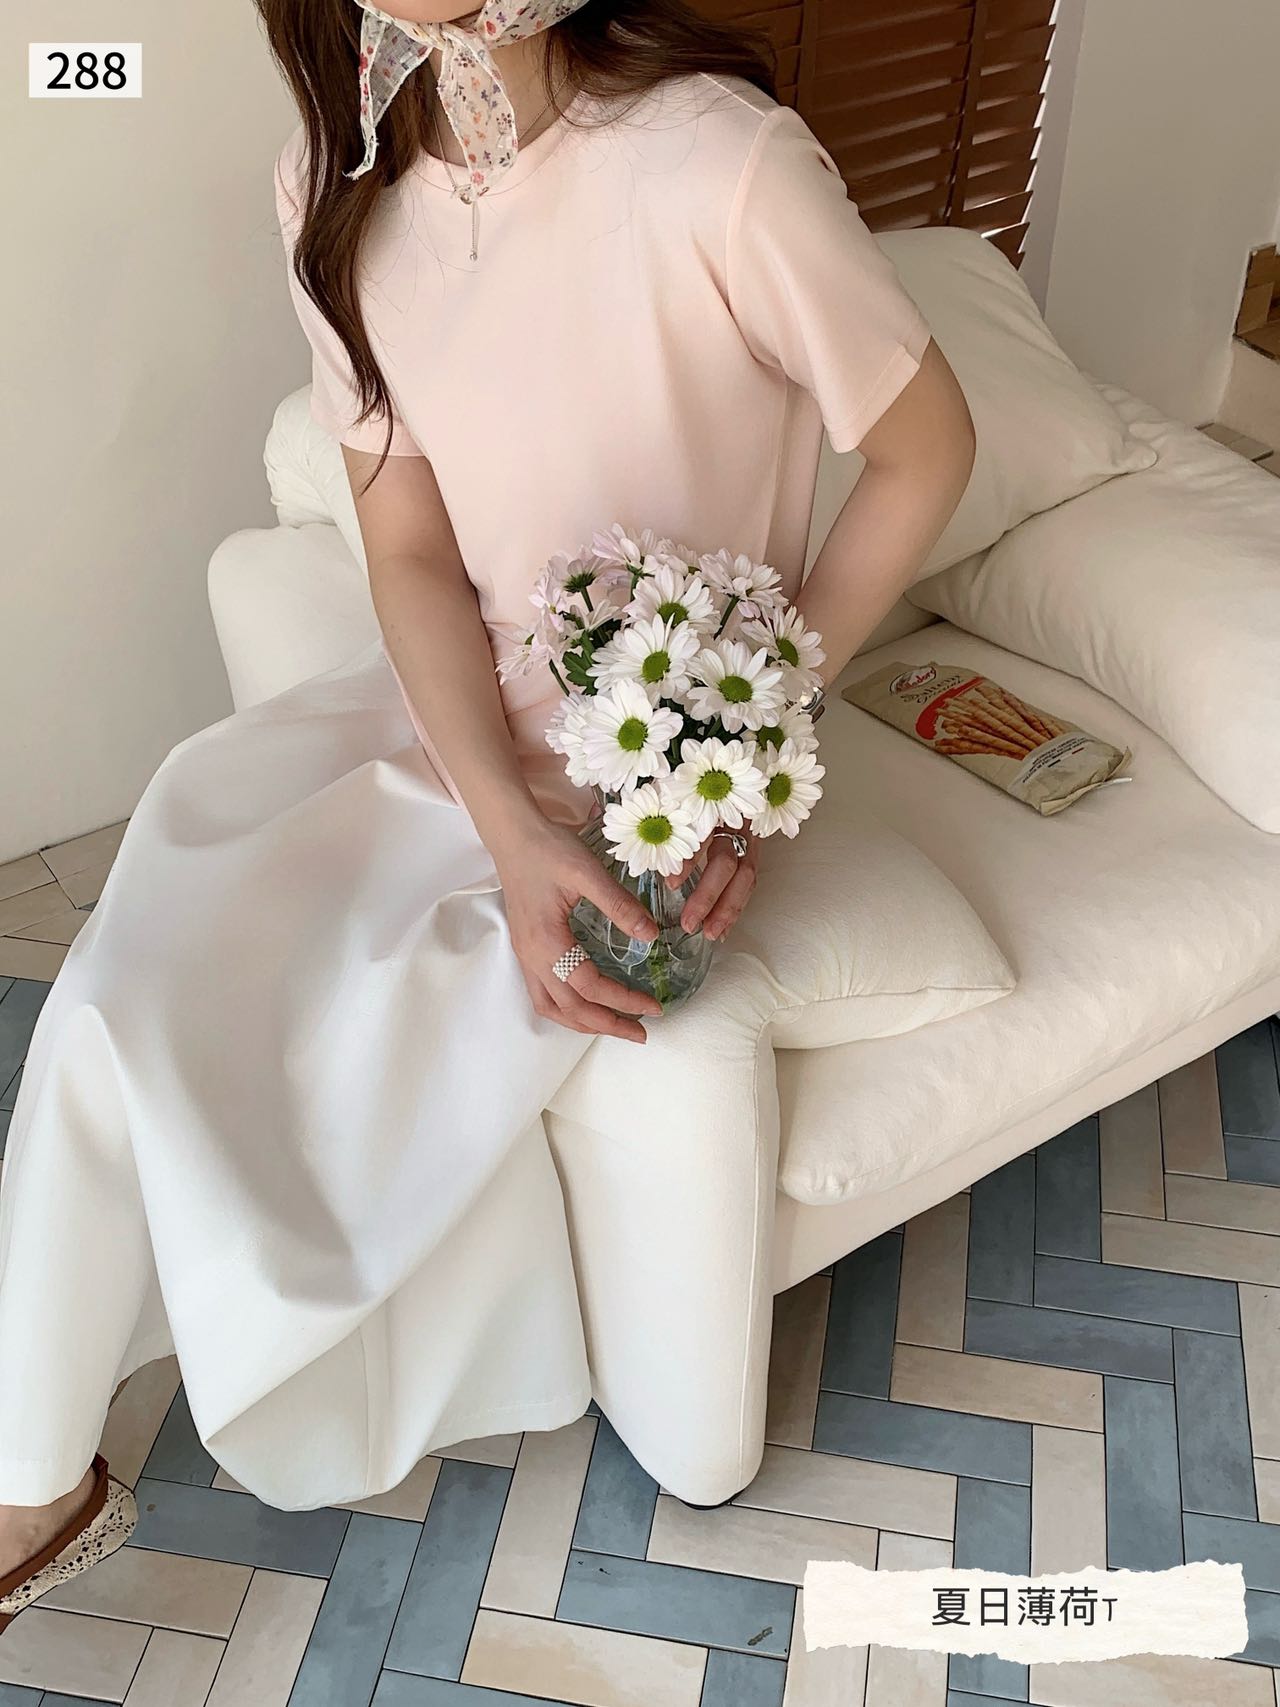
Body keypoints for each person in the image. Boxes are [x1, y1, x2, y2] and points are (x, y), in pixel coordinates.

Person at [0, 0, 976, 1624]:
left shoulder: (720, 164)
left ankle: (34, 1482)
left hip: (640, 776)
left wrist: (744, 729)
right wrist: (499, 824)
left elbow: (927, 449)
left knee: (336, 1040)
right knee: (123, 990)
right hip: (449, 724)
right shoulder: (331, 178)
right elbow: (405, 546)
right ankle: (35, 1469)